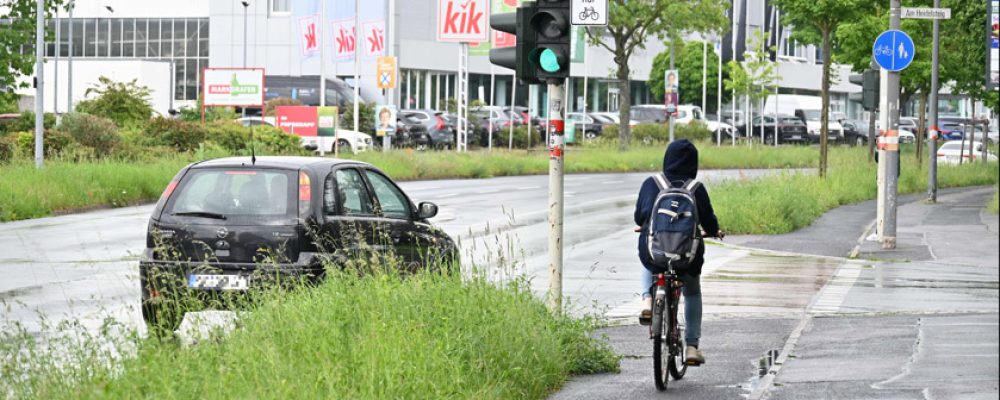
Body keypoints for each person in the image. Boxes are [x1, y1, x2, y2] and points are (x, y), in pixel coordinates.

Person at [634, 139, 722, 365]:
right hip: (686, 258)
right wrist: (714, 231)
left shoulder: (652, 183)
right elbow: (709, 223)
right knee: (692, 292)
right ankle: (692, 346)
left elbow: (639, 217)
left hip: (656, 253)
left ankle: (647, 300)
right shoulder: (696, 188)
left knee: (648, 259)